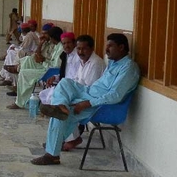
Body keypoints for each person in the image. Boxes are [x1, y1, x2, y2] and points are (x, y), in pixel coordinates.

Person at [31, 33, 139, 165]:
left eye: (110, 46)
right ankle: (60, 107)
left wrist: (87, 103)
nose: (106, 50)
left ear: (121, 47)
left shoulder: (128, 68)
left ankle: (52, 153)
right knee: (65, 83)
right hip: (88, 91)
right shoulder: (113, 63)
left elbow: (115, 96)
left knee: (60, 115)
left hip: (100, 104)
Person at [7, 26, 64, 110]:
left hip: (50, 71)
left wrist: (43, 60)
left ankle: (20, 102)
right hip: (45, 65)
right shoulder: (55, 45)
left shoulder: (60, 48)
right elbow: (39, 54)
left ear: (53, 37)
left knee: (24, 73)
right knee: (28, 60)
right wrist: (41, 45)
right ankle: (21, 91)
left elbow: (55, 66)